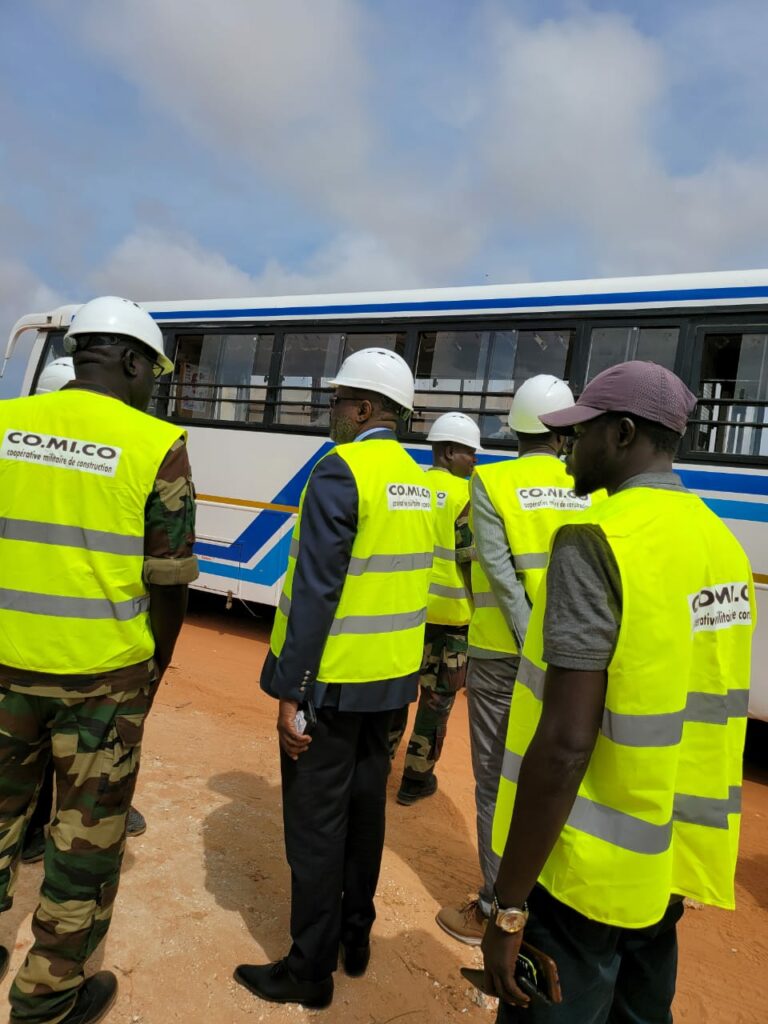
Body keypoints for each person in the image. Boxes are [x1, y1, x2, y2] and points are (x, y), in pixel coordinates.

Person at [482, 361, 755, 1023]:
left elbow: (567, 744)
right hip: (664, 866)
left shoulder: (596, 542)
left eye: (582, 431)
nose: (568, 446)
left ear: (625, 433)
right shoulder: (721, 545)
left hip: (582, 880)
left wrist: (509, 902)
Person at [0, 296, 198, 1024]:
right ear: (132, 361)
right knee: (82, 852)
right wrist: (155, 671)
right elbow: (169, 581)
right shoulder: (155, 443)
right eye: (155, 371)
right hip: (101, 689)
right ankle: (47, 1002)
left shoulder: (4, 425)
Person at [235, 348, 434, 1010]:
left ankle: (309, 969)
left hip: (334, 686)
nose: (330, 414)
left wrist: (291, 691)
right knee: (364, 815)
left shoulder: (340, 471)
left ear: (365, 409)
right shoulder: (419, 479)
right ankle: (355, 937)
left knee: (317, 828)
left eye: (336, 401)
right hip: (392, 685)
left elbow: (317, 592)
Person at [437, 375, 601, 945]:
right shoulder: (589, 482)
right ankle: (547, 907)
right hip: (576, 665)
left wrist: (534, 642)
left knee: (495, 782)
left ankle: (493, 904)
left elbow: (501, 576)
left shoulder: (492, 480)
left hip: (503, 656)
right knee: (559, 778)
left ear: (515, 427)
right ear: (563, 430)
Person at [20, 357, 148, 867]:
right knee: (73, 759)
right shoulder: (139, 445)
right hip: (91, 658)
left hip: (17, 648)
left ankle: (30, 831)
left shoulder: (16, 433)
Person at [389, 411, 479, 805]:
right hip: (452, 622)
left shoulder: (410, 489)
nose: (474, 461)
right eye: (469, 454)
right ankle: (415, 780)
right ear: (447, 451)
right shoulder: (466, 497)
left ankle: (376, 769)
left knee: (393, 696)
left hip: (406, 617)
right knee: (436, 701)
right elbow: (472, 561)